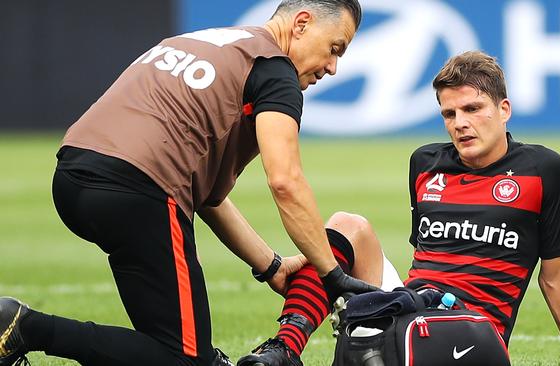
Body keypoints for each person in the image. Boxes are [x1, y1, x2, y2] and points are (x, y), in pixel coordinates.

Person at [0, 1, 379, 365]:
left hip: (73, 175)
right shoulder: (274, 70)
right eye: (334, 49)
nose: (332, 67)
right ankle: (26, 327)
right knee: (182, 359)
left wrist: (272, 266)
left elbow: (209, 197)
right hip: (139, 192)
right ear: (301, 23)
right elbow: (285, 181)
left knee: (173, 344)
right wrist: (332, 274)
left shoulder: (198, 40)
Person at [237, 51, 560, 366]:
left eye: (473, 109)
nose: (460, 123)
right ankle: (286, 346)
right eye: (449, 113)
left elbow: (557, 277)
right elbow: (426, 256)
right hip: (414, 305)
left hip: (473, 327)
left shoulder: (543, 170)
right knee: (347, 225)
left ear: (503, 109)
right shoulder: (425, 163)